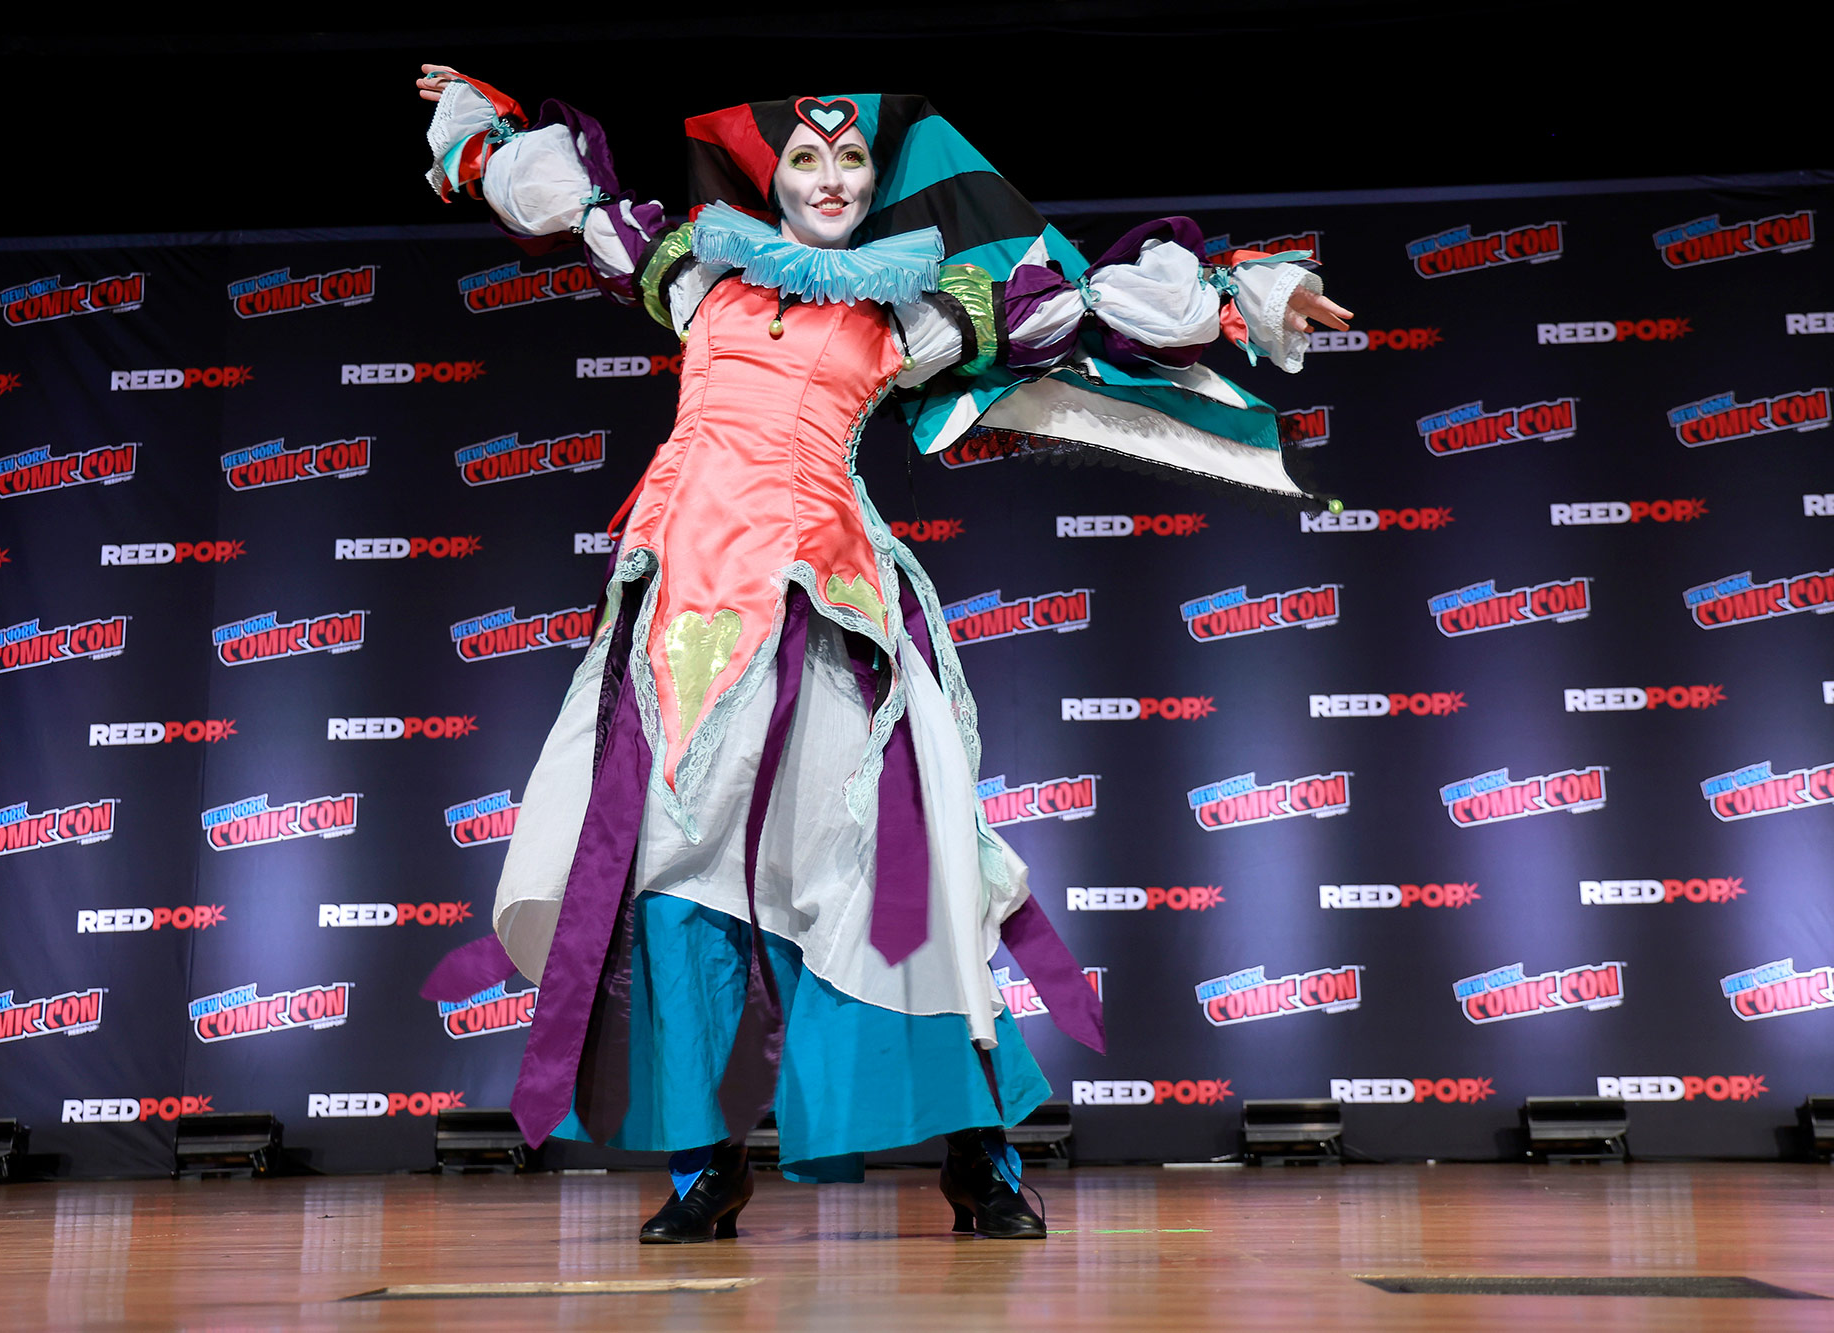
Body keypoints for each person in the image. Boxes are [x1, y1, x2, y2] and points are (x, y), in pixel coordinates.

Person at [414, 67, 1353, 1243]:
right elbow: (578, 202)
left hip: (824, 613)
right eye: (806, 162)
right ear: (772, 181)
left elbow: (1082, 308)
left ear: (876, 186)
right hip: (680, 621)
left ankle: (980, 1160)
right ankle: (705, 1166)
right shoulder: (696, 275)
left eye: (850, 163)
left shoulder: (915, 311)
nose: (828, 181)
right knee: (672, 886)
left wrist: (1235, 293)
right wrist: (484, 129)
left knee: (891, 871)